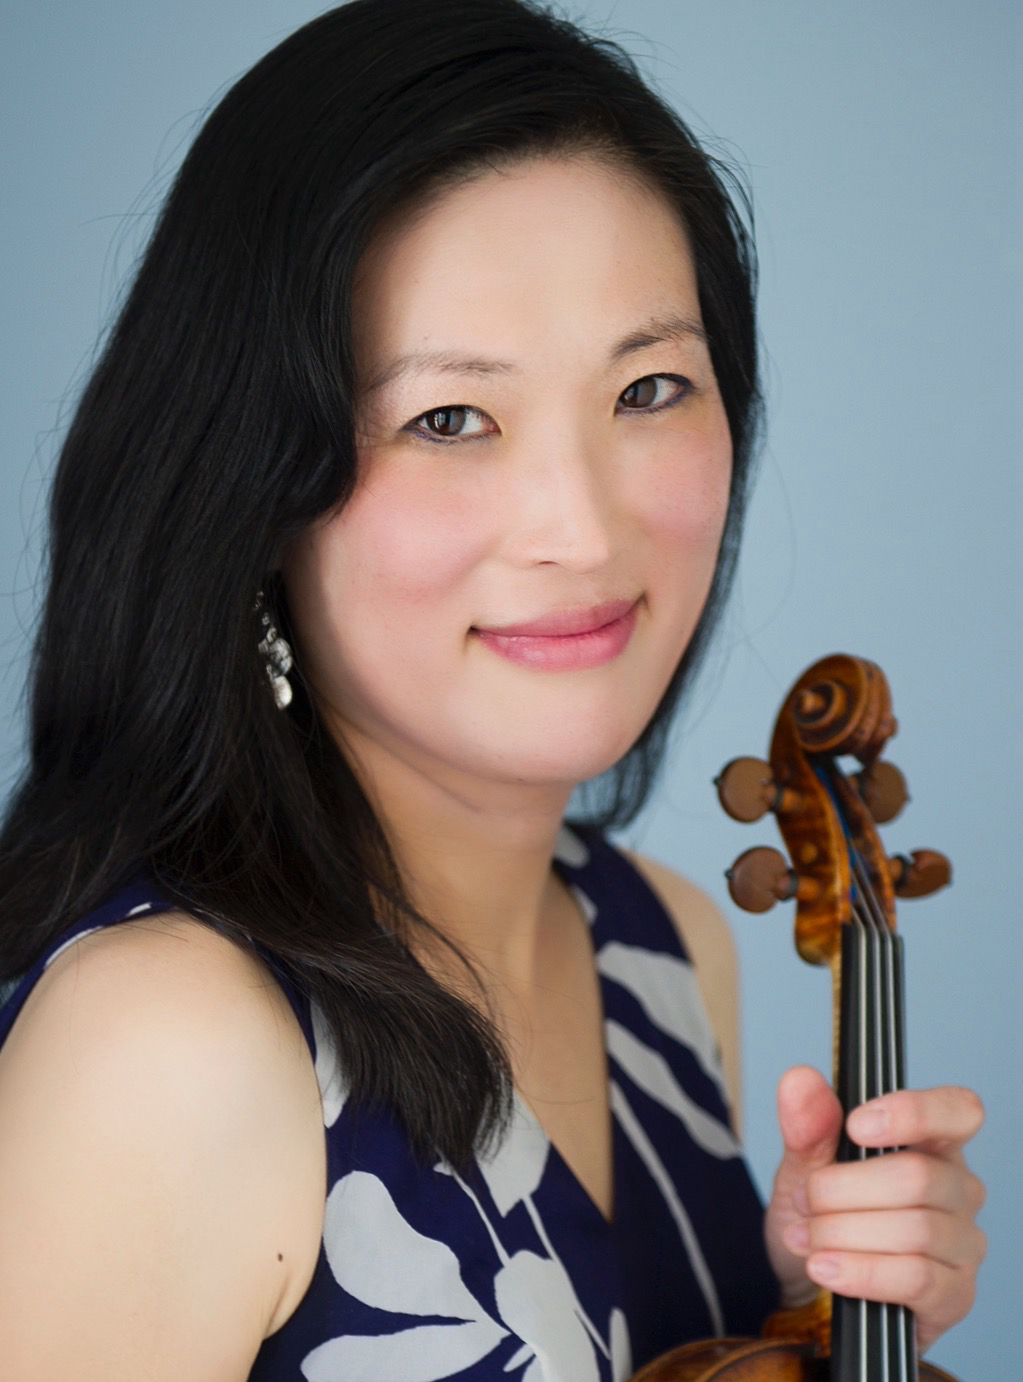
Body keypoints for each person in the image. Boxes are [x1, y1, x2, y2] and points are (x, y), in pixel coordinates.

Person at [0, 1, 985, 1377]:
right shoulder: (165, 1047)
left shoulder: (666, 948)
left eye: (649, 389)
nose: (582, 527)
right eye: (449, 418)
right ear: (253, 489)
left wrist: (802, 1314)